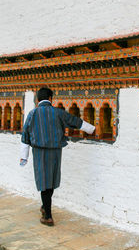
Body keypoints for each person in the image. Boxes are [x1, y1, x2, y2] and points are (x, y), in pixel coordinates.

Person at [20, 87, 95, 226]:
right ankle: (45, 208)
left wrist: (24, 157)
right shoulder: (58, 113)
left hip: (39, 153)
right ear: (50, 98)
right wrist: (92, 129)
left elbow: (25, 135)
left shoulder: (32, 114)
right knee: (52, 181)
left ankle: (47, 215)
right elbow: (74, 121)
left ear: (37, 100)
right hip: (55, 152)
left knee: (43, 182)